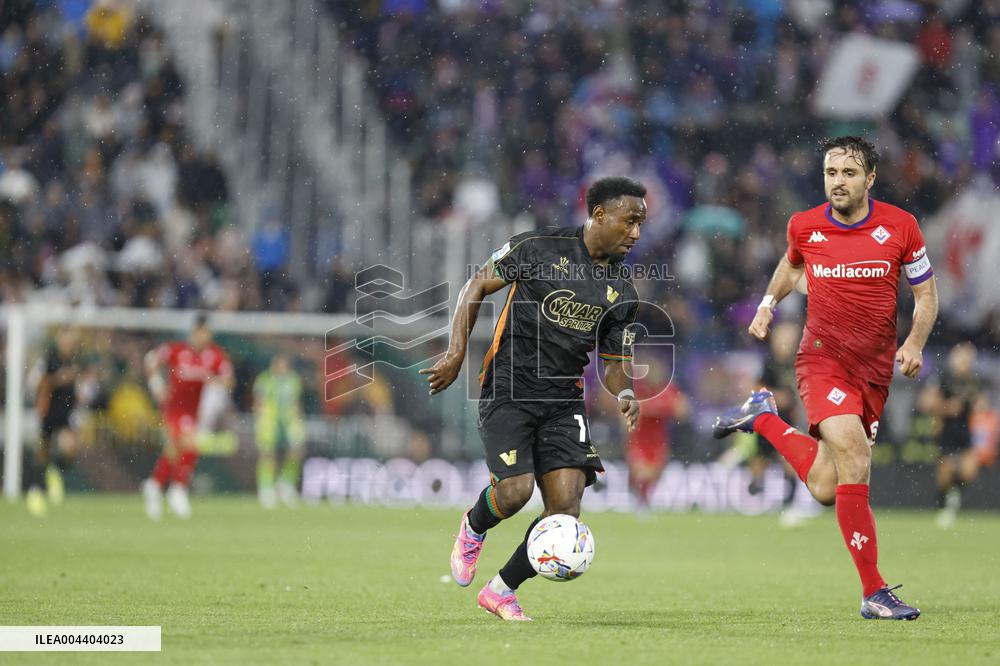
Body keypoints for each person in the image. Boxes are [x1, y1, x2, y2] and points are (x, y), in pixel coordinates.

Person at [713, 136, 938, 620]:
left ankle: (762, 418)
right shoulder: (805, 225)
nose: (838, 182)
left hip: (874, 372)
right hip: (822, 361)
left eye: (849, 173)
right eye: (831, 173)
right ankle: (874, 592)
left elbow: (926, 295)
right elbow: (790, 264)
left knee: (823, 486)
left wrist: (915, 342)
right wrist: (767, 305)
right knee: (855, 456)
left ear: (870, 178)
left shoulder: (902, 227)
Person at [420, 177, 647, 621]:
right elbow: (475, 287)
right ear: (600, 214)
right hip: (509, 388)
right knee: (515, 492)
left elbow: (614, 361)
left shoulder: (623, 292)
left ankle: (501, 590)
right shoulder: (538, 248)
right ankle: (474, 525)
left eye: (641, 223)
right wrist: (455, 353)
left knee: (565, 510)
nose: (636, 233)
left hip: (563, 401)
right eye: (630, 221)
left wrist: (624, 390)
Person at [142, 313, 233, 520]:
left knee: (175, 450)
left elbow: (228, 380)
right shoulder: (177, 350)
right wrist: (156, 384)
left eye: (206, 332)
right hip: (174, 408)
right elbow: (150, 360)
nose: (203, 336)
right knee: (188, 443)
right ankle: (178, 489)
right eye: (200, 332)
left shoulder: (215, 355)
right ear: (193, 332)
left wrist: (214, 381)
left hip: (195, 411)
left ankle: (155, 485)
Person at [26, 327, 83, 517]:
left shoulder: (73, 360)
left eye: (72, 341)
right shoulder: (48, 359)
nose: (70, 344)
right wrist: (59, 379)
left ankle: (54, 472)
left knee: (70, 448)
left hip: (66, 413)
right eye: (67, 340)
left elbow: (75, 385)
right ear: (59, 340)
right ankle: (36, 489)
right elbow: (36, 383)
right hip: (49, 411)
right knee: (43, 452)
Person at [932, 342, 985, 529]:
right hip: (948, 431)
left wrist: (981, 405)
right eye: (963, 358)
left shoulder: (974, 381)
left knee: (969, 471)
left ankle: (954, 495)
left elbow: (980, 402)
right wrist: (948, 408)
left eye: (969, 359)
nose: (966, 362)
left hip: (965, 431)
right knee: (945, 473)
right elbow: (930, 404)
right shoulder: (944, 378)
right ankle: (943, 504)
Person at [625, 370, 688, 513]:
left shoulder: (668, 390)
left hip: (659, 441)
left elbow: (683, 412)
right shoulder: (638, 389)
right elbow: (627, 411)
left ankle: (643, 501)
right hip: (639, 439)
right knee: (641, 472)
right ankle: (639, 500)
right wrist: (656, 408)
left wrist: (654, 408)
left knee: (654, 474)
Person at [253, 353, 306, 508]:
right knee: (267, 455)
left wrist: (299, 419)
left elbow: (296, 401)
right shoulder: (264, 380)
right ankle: (266, 488)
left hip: (289, 422)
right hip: (269, 422)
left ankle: (286, 484)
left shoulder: (293, 380)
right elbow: (258, 402)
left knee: (296, 452)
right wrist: (259, 419)